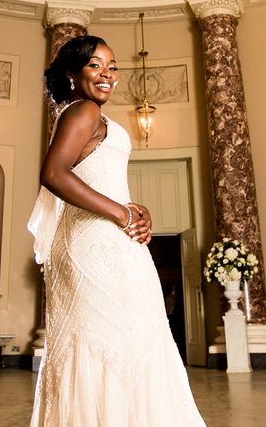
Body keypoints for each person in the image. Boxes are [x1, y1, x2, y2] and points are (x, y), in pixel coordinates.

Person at [28, 36, 205, 426]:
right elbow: (54, 174)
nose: (107, 74)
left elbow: (93, 175)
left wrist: (133, 209)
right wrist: (121, 214)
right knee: (112, 339)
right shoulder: (84, 110)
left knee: (128, 336)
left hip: (103, 239)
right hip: (96, 245)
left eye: (112, 65)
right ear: (73, 74)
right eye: (95, 65)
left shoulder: (86, 114)